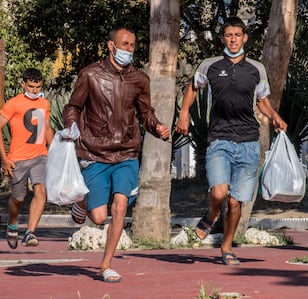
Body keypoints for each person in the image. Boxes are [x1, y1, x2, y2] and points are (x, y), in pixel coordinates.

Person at [175, 16, 287, 266]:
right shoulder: (210, 65)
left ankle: (226, 247)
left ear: (245, 38)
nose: (233, 39)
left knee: (236, 201)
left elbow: (262, 99)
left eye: (237, 35)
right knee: (219, 191)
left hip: (248, 142)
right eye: (228, 35)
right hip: (219, 139)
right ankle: (212, 213)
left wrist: (275, 116)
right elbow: (193, 87)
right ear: (223, 38)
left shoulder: (256, 68)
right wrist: (183, 113)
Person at [62, 26, 170, 283]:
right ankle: (82, 202)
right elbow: (73, 107)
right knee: (98, 217)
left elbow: (145, 113)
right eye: (124, 44)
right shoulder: (90, 75)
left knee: (120, 205)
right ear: (111, 46)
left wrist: (157, 127)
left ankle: (106, 264)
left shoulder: (140, 79)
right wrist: (71, 127)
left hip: (126, 153)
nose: (129, 50)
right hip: (95, 152)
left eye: (132, 45)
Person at [0, 68, 54, 249]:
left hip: (40, 155)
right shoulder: (13, 103)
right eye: (31, 86)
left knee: (41, 191)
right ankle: (12, 224)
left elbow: (47, 128)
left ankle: (30, 232)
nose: (34, 90)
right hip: (17, 158)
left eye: (38, 87)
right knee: (18, 198)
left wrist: (57, 151)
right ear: (23, 84)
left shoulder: (44, 104)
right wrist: (4, 158)